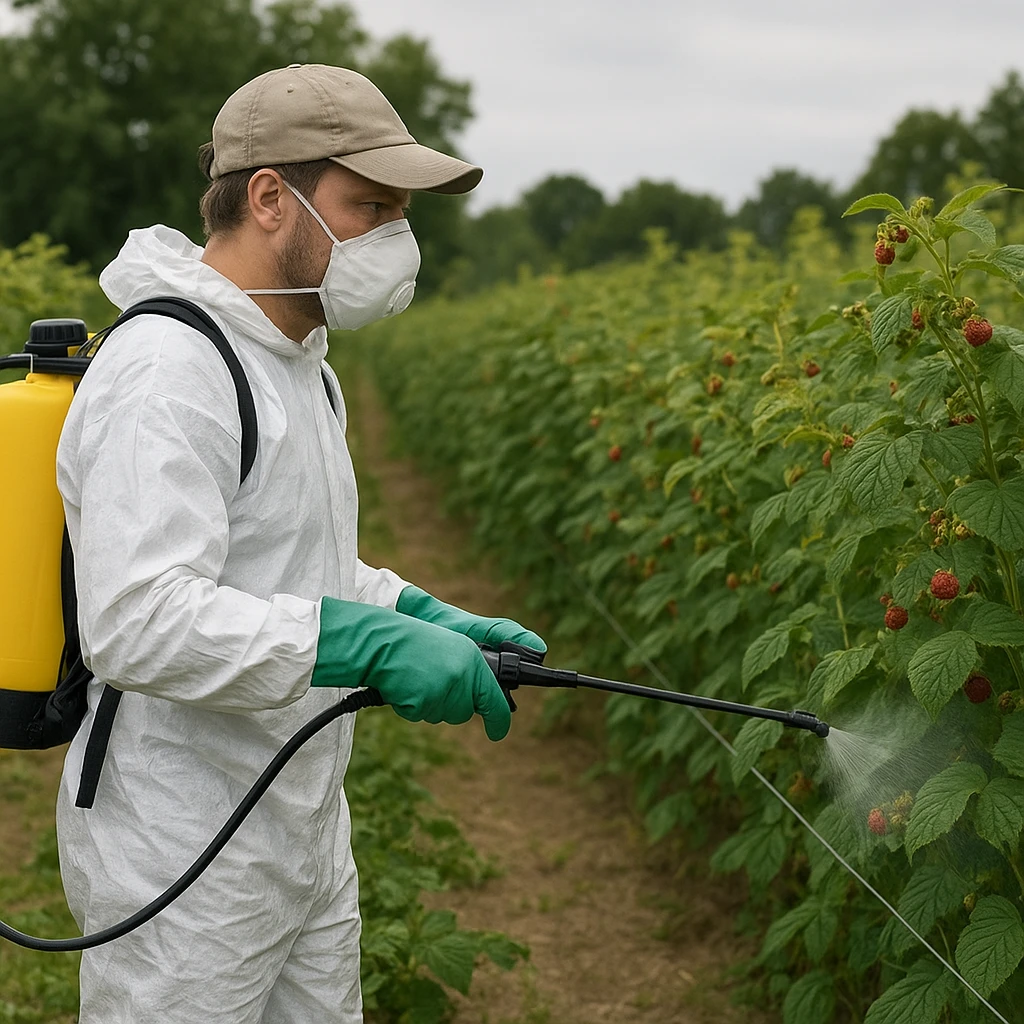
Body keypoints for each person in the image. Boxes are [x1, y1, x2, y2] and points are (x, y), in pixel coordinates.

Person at [55, 63, 546, 1023]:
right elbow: (136, 618)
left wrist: (405, 610)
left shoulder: (299, 363)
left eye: (402, 214)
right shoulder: (169, 369)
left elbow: (285, 561)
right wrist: (358, 644)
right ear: (273, 198)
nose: (396, 241)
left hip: (302, 822)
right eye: (369, 206)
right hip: (184, 844)